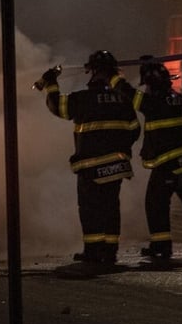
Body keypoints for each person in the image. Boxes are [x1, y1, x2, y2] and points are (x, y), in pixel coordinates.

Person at [114, 59, 182, 260]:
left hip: (167, 165)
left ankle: (161, 247)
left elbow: (129, 94)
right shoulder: (175, 97)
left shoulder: (153, 102)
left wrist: (113, 76)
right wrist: (151, 65)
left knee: (155, 204)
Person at [40, 50, 141, 265]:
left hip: (91, 166)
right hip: (116, 165)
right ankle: (110, 251)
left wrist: (50, 83)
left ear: (92, 72)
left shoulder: (83, 99)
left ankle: (94, 251)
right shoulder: (123, 100)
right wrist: (118, 148)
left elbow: (57, 106)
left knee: (90, 209)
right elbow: (134, 130)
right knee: (111, 207)